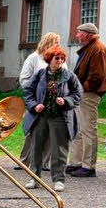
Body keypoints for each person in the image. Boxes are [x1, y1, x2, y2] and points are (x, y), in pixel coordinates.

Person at [23, 45, 82, 192]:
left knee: (59, 149)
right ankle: (34, 178)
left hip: (60, 117)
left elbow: (78, 93)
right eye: (57, 58)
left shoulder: (69, 75)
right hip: (40, 117)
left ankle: (59, 180)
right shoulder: (40, 74)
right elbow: (28, 92)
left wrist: (66, 100)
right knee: (36, 147)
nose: (60, 61)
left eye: (62, 58)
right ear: (49, 59)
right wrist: (34, 105)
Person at [67, 23, 106, 178]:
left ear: (87, 34)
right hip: (83, 93)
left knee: (88, 130)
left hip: (89, 94)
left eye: (79, 33)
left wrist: (83, 87)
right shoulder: (90, 48)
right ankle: (76, 163)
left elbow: (98, 75)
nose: (77, 35)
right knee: (77, 128)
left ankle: (88, 166)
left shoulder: (98, 48)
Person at [18, 33, 62, 170]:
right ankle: (25, 160)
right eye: (56, 42)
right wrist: (36, 89)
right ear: (48, 43)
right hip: (37, 99)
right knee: (34, 129)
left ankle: (44, 162)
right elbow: (24, 79)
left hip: (53, 100)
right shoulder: (34, 58)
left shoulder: (59, 59)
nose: (59, 45)